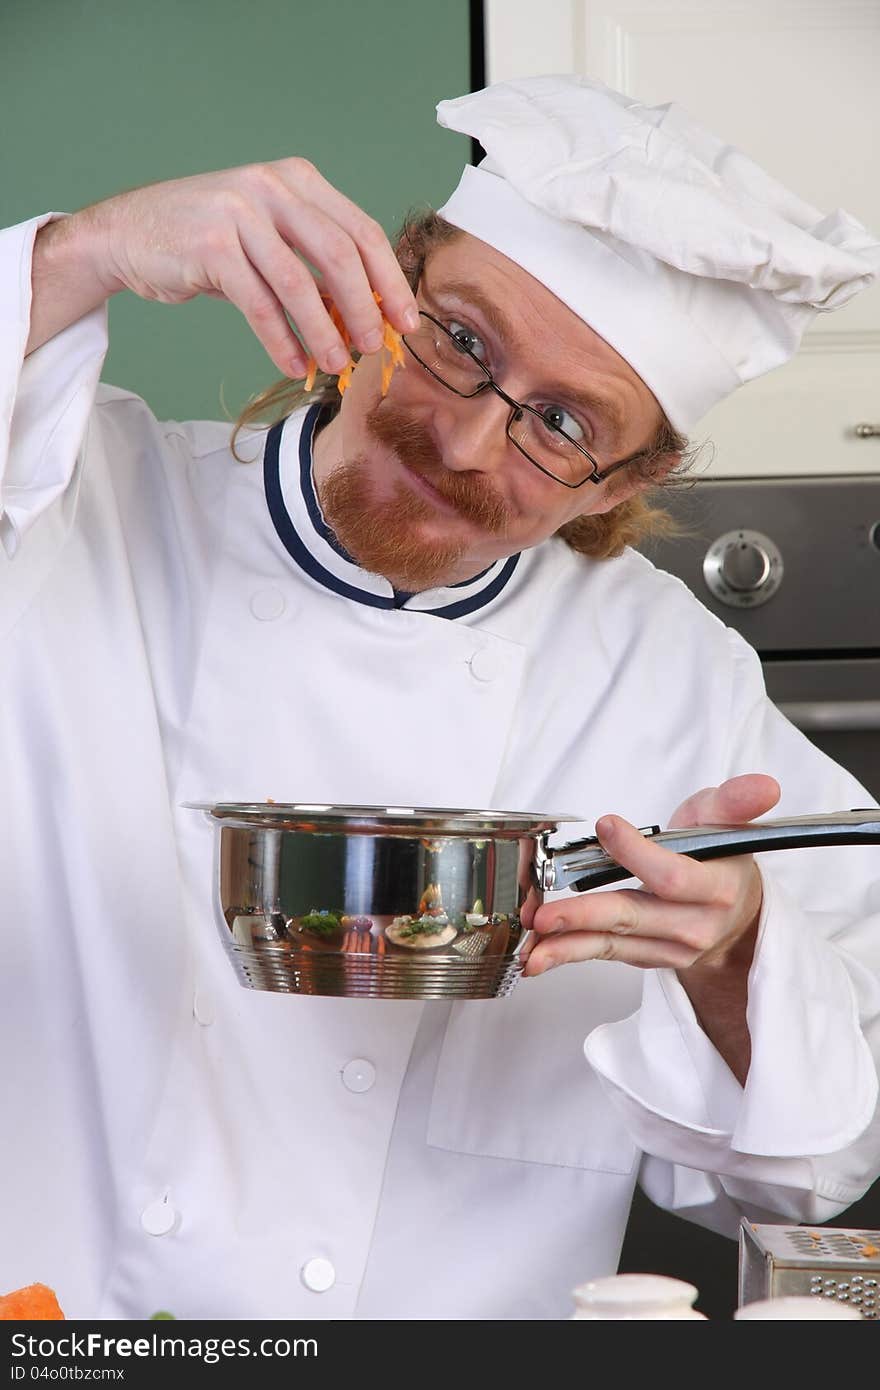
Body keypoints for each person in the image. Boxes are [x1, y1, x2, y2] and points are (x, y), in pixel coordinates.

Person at [2, 73, 880, 1322]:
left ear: (626, 478)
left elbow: (807, 1171)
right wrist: (82, 249)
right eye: (460, 339)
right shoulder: (71, 505)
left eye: (563, 424)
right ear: (385, 285)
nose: (464, 444)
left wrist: (734, 957)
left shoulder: (673, 683)